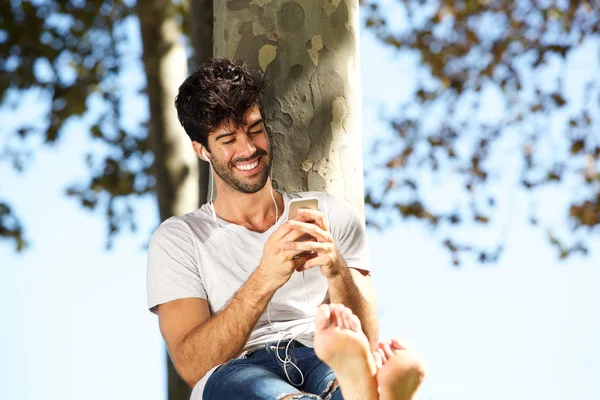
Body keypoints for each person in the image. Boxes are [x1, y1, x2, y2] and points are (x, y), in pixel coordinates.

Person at [146, 58, 425, 400]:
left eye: (255, 129)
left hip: (319, 352)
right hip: (237, 372)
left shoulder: (332, 214)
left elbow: (364, 337)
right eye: (228, 139)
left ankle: (357, 387)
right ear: (202, 150)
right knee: (245, 383)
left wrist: (337, 270)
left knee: (347, 373)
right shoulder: (179, 240)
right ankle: (379, 392)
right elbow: (193, 365)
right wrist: (266, 277)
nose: (248, 149)